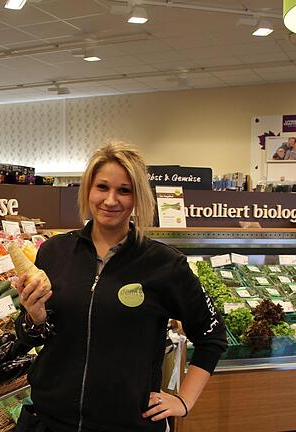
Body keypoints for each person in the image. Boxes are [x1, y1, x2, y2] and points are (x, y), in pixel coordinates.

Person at [13, 142, 228, 432]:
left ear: (137, 197)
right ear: (88, 190)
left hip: (127, 424)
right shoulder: (54, 252)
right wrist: (34, 318)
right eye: (102, 187)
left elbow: (212, 335)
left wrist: (184, 401)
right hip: (51, 421)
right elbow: (31, 338)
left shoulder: (165, 264)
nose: (110, 200)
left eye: (124, 190)